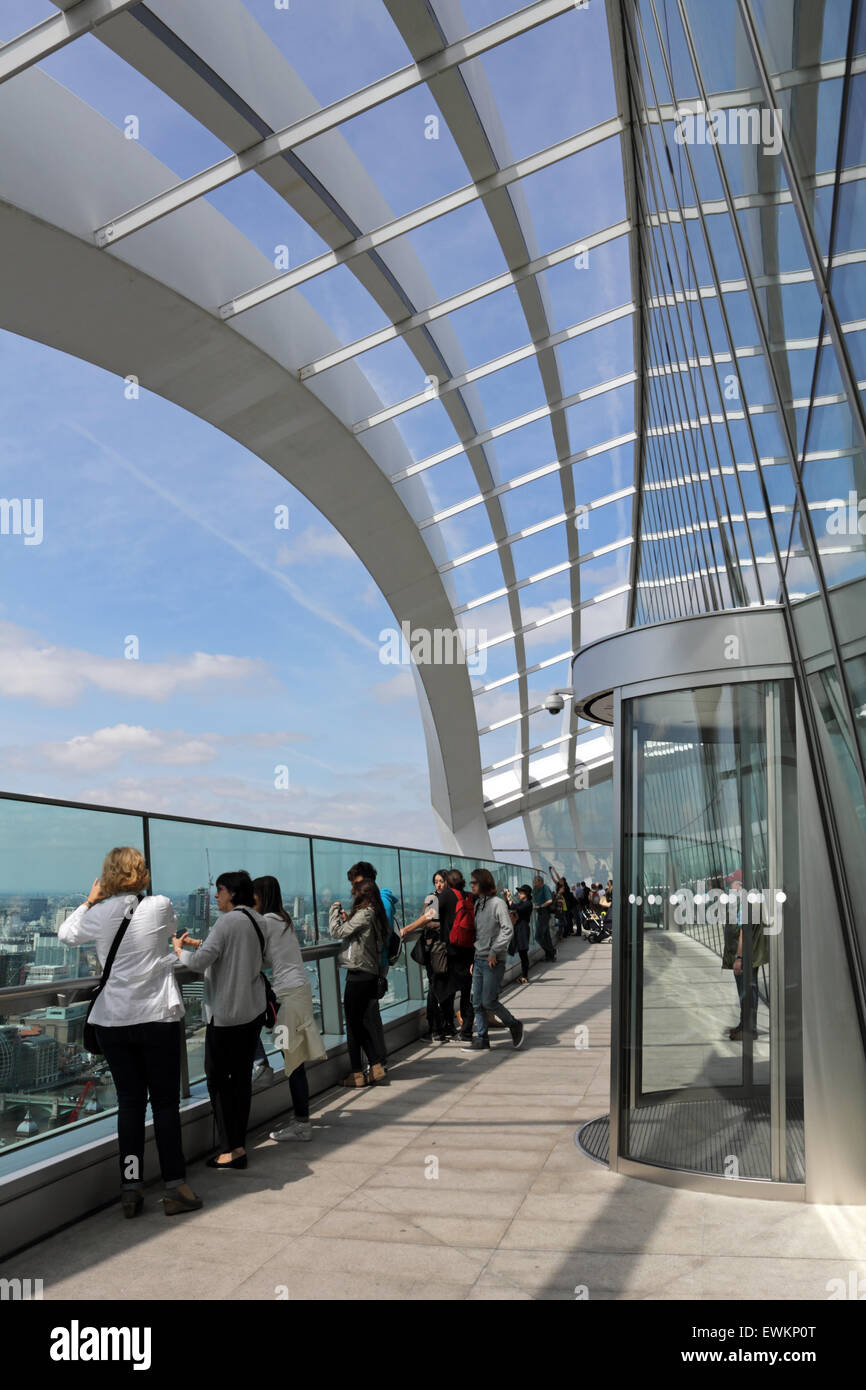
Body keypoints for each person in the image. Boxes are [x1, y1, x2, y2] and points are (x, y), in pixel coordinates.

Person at [59, 847, 202, 1218]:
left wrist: (89, 902)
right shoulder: (160, 905)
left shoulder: (100, 913)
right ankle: (175, 1187)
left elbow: (66, 935)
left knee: (130, 1104)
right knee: (166, 1104)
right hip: (157, 1016)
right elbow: (167, 937)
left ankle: (131, 1188)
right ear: (141, 872)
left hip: (113, 1021)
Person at [173, 869, 265, 1170]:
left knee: (216, 1080)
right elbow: (257, 959)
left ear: (232, 893)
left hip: (226, 1016)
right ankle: (237, 1145)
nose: (216, 894)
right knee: (240, 1081)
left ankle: (229, 1148)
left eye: (221, 889)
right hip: (252, 1012)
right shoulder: (258, 920)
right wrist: (204, 944)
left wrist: (179, 952)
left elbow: (199, 964)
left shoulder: (226, 922)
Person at [250, 876, 327, 1143]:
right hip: (297, 993)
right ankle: (263, 1068)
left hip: (288, 998)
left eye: (254, 895)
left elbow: (252, 956)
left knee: (293, 1062)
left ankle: (302, 1123)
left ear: (261, 896)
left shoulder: (267, 921)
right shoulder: (283, 919)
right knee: (292, 1059)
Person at [329, 877, 389, 1086]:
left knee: (355, 1024)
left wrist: (333, 912)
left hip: (359, 975)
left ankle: (367, 1068)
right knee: (357, 1023)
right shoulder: (376, 914)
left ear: (362, 895)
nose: (352, 895)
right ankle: (368, 1069)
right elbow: (361, 938)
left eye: (354, 892)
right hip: (370, 974)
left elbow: (336, 932)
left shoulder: (365, 913)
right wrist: (349, 920)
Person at [461, 868, 524, 1052]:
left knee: (488, 1001)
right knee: (476, 1002)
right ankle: (482, 1038)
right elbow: (480, 935)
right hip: (479, 959)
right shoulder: (479, 904)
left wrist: (494, 951)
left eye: (474, 882)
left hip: (493, 960)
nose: (471, 885)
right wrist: (475, 959)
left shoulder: (497, 904)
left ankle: (513, 1024)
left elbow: (507, 929)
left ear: (483, 883)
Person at [347, 861, 396, 1077]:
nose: (353, 890)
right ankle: (377, 1061)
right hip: (375, 963)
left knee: (365, 1016)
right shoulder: (380, 900)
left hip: (371, 964)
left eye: (356, 884)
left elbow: (373, 933)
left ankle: (377, 1062)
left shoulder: (378, 902)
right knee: (370, 1013)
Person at [401, 870, 455, 1041]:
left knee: (434, 987)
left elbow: (424, 918)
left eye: (441, 881)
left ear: (447, 882)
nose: (438, 884)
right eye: (436, 881)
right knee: (445, 986)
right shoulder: (449, 897)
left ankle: (436, 1028)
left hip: (436, 950)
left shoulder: (432, 898)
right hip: (447, 948)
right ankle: (448, 1026)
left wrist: (407, 929)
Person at [508, 885, 534, 982]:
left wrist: (509, 898)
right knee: (519, 952)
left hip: (523, 929)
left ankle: (525, 976)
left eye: (521, 893)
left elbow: (515, 907)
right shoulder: (522, 902)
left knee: (523, 954)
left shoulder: (528, 904)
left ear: (526, 894)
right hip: (518, 928)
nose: (519, 894)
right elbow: (512, 907)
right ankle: (524, 976)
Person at [532, 872, 556, 961]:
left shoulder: (545, 888)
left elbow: (549, 900)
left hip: (544, 914)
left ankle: (551, 951)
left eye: (535, 882)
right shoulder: (536, 889)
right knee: (546, 936)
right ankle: (550, 955)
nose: (534, 883)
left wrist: (541, 906)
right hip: (540, 914)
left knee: (538, 936)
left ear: (540, 881)